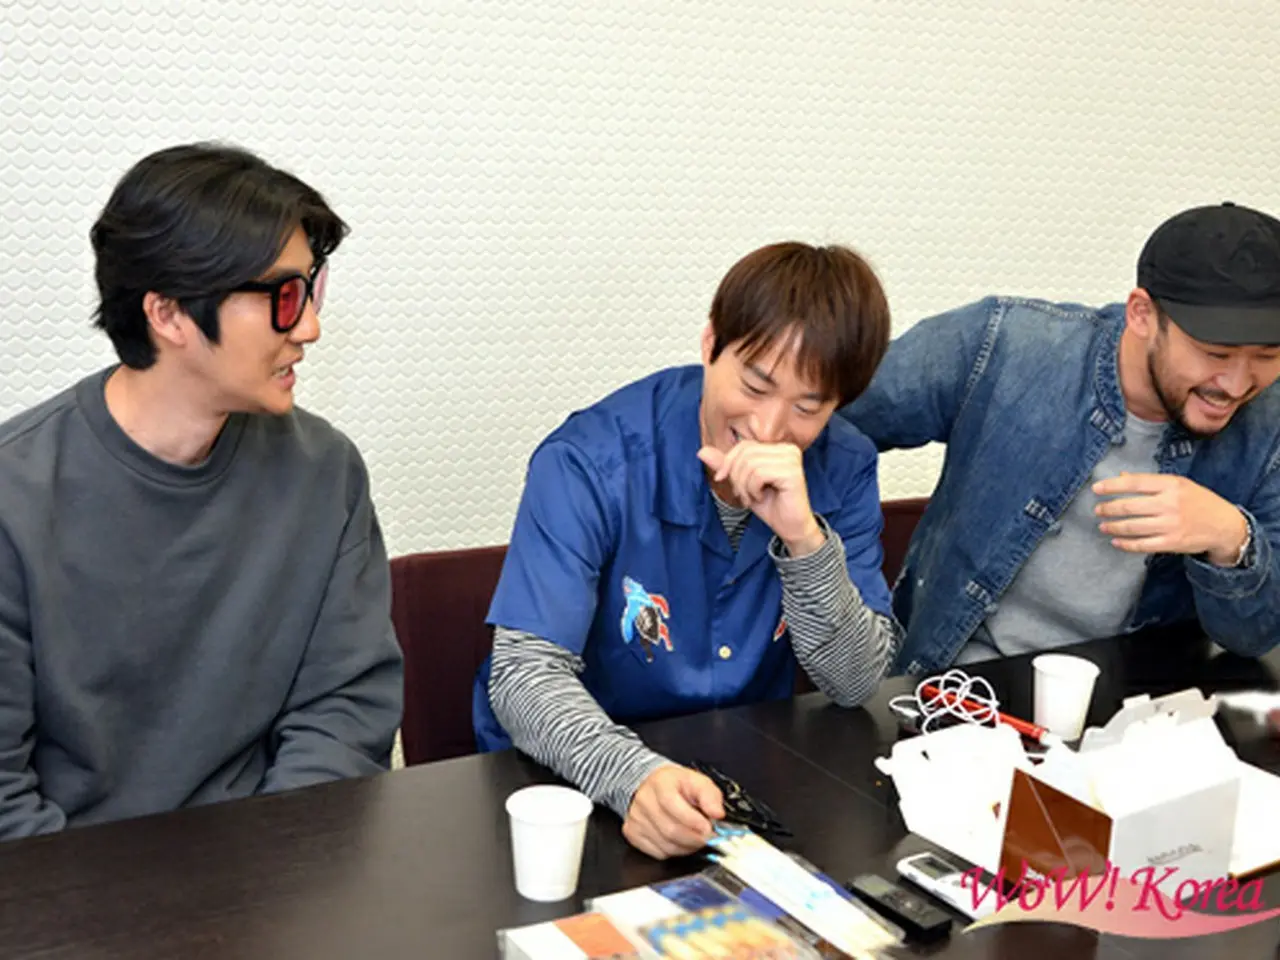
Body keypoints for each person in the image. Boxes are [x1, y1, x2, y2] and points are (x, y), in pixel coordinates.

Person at [0, 143, 404, 839]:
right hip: (70, 883)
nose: (310, 327)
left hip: (272, 865)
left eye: (310, 289)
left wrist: (266, 874)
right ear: (169, 314)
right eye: (283, 297)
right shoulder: (16, 496)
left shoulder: (325, 471)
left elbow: (344, 712)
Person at [472, 242, 900, 859]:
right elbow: (523, 676)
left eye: (807, 408)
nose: (768, 429)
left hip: (744, 789)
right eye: (754, 385)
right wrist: (633, 778)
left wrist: (804, 539)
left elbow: (856, 681)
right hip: (571, 788)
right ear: (710, 344)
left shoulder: (845, 463)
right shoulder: (590, 460)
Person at [839, 202, 1280, 675]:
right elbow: (827, 415)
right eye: (1215, 354)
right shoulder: (1004, 345)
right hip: (957, 688)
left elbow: (1254, 637)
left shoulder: (1269, 427)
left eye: (1268, 355)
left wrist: (1231, 537)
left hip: (1135, 704)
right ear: (1142, 314)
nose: (1237, 384)